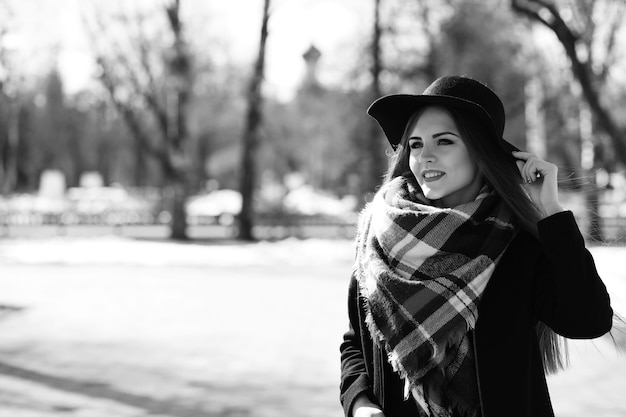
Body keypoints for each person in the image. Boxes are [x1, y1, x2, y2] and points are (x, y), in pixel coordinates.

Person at [339, 75, 614, 417]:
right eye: (415, 144)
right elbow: (356, 344)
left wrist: (552, 214)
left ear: (480, 152)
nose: (425, 156)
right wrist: (360, 403)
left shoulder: (516, 244)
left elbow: (589, 320)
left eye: (445, 142)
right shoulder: (377, 236)